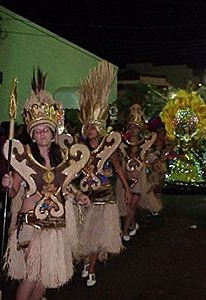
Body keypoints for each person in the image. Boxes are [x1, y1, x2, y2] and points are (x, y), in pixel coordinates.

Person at [1, 70, 90, 300]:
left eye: (45, 130)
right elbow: (13, 194)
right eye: (37, 131)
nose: (41, 134)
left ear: (52, 133)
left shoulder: (61, 158)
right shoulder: (25, 158)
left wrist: (79, 195)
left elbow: (64, 186)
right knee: (32, 274)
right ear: (32, 134)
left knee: (45, 276)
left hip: (54, 224)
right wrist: (10, 184)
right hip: (31, 223)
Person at [76, 61, 132, 287]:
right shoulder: (79, 151)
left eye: (94, 128)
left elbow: (118, 168)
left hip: (105, 197)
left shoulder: (109, 148)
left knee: (98, 235)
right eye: (88, 128)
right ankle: (87, 264)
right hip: (85, 196)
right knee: (84, 234)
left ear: (99, 129)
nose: (91, 131)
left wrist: (126, 190)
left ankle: (90, 268)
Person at [117, 104, 162, 242]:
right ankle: (133, 224)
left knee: (132, 204)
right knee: (128, 205)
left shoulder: (144, 145)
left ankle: (124, 231)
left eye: (136, 127)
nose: (133, 130)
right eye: (131, 127)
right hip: (126, 178)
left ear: (140, 129)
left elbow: (150, 156)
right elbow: (117, 159)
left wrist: (156, 162)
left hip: (139, 179)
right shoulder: (123, 144)